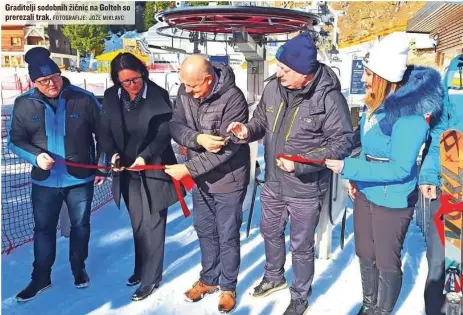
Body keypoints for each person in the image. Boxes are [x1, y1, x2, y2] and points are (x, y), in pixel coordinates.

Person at [227, 33, 354, 315]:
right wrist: (247, 131)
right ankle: (274, 277)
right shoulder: (274, 87)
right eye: (279, 66)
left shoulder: (330, 99)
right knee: (269, 231)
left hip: (305, 188)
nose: (278, 72)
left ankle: (300, 295)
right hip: (273, 181)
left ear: (305, 74)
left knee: (301, 244)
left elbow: (343, 142)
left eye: (285, 70)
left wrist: (302, 164)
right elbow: (261, 119)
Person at [325, 32, 444, 315]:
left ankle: (381, 311)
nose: (364, 79)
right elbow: (367, 147)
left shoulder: (409, 115)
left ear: (384, 77)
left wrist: (348, 168)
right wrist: (357, 177)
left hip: (392, 199)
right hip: (367, 191)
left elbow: (401, 167)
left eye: (368, 73)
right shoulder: (376, 105)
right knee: (365, 252)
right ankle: (369, 306)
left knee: (387, 261)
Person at [8, 47, 106, 302]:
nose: (52, 84)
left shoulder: (83, 99)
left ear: (61, 74)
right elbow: (15, 140)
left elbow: (104, 135)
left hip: (79, 180)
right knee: (43, 229)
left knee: (80, 226)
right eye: (44, 81)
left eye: (55, 77)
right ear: (34, 82)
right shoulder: (23, 104)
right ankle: (41, 277)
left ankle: (78, 266)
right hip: (44, 182)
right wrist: (35, 157)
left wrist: (101, 166)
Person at [165, 55, 250, 313]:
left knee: (227, 233)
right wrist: (198, 138)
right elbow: (175, 126)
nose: (187, 91)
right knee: (204, 229)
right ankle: (209, 279)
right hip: (201, 181)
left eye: (193, 86)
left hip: (229, 179)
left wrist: (188, 168)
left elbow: (228, 149)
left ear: (209, 79)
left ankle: (228, 286)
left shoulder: (234, 98)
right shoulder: (185, 89)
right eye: (185, 86)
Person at [99, 52, 182, 301]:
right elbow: (104, 131)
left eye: (135, 79)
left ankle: (151, 278)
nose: (132, 85)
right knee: (138, 224)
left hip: (154, 168)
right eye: (125, 82)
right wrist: (112, 154)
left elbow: (162, 134)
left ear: (143, 73)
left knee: (153, 223)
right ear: (117, 81)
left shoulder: (157, 95)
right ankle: (140, 267)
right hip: (127, 172)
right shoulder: (112, 97)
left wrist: (144, 156)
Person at [419, 53, 463, 315]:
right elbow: (440, 130)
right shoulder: (457, 70)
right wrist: (428, 173)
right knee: (440, 262)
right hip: (452, 178)